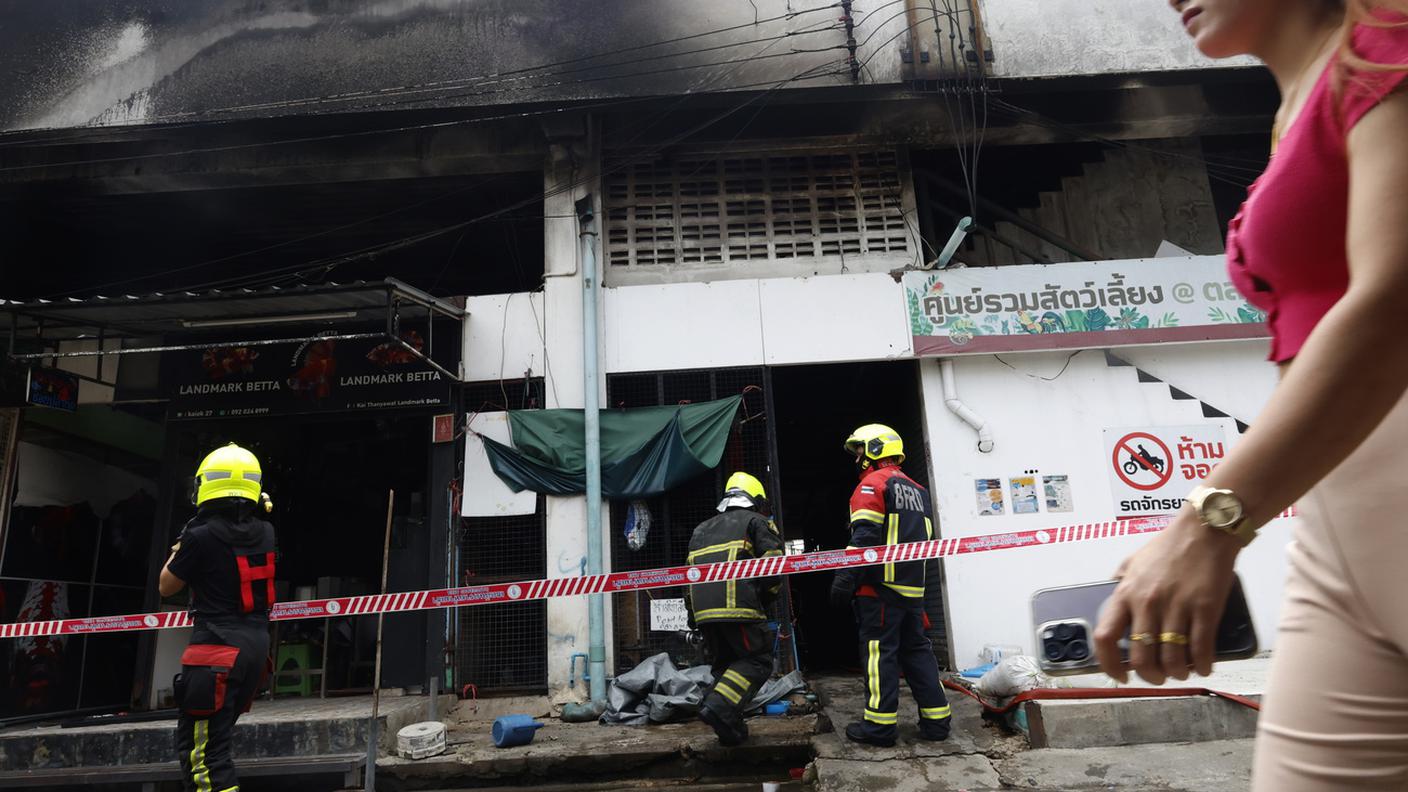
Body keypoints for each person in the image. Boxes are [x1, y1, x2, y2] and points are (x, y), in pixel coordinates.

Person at [1095, 3, 1408, 790]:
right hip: (1337, 541)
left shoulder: (1385, 45)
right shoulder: (1292, 104)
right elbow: (1313, 354)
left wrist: (1210, 523)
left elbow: (1393, 303)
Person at [160, 444, 277, 792]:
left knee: (204, 758)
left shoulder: (198, 536)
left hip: (215, 653)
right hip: (254, 648)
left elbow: (166, 585)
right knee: (219, 744)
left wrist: (183, 538)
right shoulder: (266, 533)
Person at [830, 424, 951, 747]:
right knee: (917, 654)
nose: (857, 459)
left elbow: (866, 538)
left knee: (879, 656)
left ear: (873, 450)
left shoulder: (872, 485)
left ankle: (879, 728)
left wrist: (845, 578)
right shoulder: (918, 491)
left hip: (879, 591)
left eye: (859, 452)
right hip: (912, 592)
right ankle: (938, 722)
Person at [685, 471, 784, 746]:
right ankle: (717, 706)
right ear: (755, 499)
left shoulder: (700, 530)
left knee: (726, 666)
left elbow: (687, 578)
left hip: (705, 615)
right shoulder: (757, 521)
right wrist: (765, 599)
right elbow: (773, 567)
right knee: (758, 660)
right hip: (740, 609)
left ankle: (730, 728)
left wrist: (694, 616)